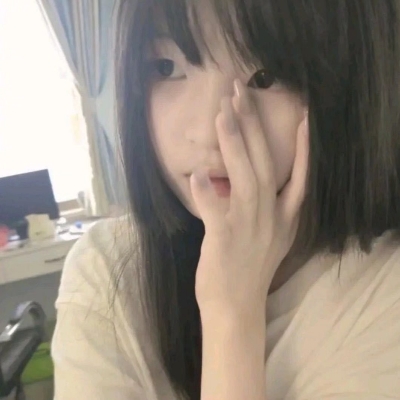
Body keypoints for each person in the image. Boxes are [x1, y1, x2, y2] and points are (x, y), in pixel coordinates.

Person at [51, 0, 400, 399]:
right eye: (166, 68)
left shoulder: (384, 295)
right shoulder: (107, 270)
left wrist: (231, 312)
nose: (208, 132)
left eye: (266, 77)